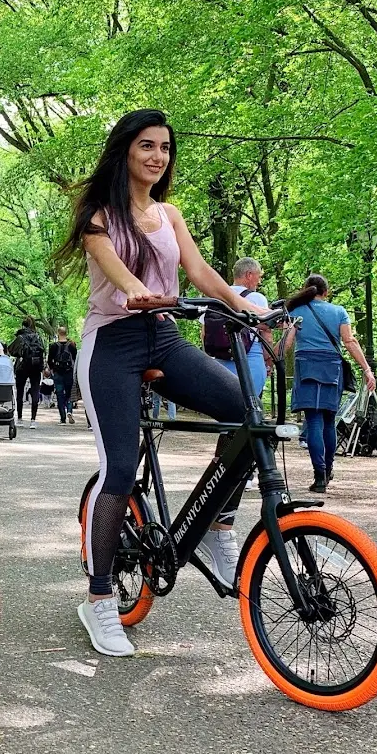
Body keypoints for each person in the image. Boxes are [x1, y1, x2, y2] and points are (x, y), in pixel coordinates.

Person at [54, 108, 265, 657]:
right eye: (146, 145)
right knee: (119, 468)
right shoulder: (99, 216)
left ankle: (219, 525)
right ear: (125, 150)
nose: (157, 156)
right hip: (113, 344)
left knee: (247, 415)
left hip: (165, 338)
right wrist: (135, 291)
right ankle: (100, 600)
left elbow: (198, 271)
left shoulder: (169, 214)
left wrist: (241, 304)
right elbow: (116, 271)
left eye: (165, 148)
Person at [284, 274, 375, 493]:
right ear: (326, 292)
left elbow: (287, 342)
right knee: (328, 422)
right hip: (331, 368)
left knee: (313, 422)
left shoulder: (296, 311)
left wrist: (270, 362)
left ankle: (319, 477)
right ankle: (328, 470)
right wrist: (366, 369)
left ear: (306, 290)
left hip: (306, 366)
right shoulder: (339, 312)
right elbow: (349, 341)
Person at [204, 256, 272, 489]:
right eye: (259, 276)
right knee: (250, 417)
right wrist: (269, 361)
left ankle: (219, 468)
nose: (259, 281)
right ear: (249, 275)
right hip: (249, 365)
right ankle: (245, 472)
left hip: (220, 364)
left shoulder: (215, 297)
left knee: (228, 421)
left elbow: (206, 336)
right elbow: (266, 332)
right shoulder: (255, 298)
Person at [9, 317, 45, 429]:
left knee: (20, 391)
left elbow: (10, 350)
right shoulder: (38, 337)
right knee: (35, 390)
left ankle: (19, 418)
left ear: (23, 325)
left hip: (22, 366)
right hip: (36, 366)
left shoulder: (20, 337)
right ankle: (33, 420)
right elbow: (43, 350)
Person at [48, 327, 77, 424]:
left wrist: (53, 370)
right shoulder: (72, 346)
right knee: (69, 393)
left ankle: (63, 418)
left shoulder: (53, 346)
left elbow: (49, 360)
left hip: (58, 373)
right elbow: (75, 359)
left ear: (58, 333)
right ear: (66, 333)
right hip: (69, 372)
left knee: (59, 394)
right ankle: (69, 410)